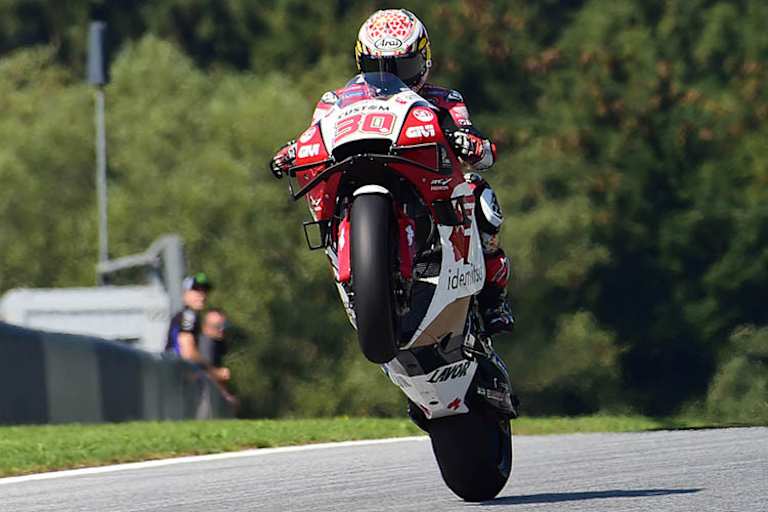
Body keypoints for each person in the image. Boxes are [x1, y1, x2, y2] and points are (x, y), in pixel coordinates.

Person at [270, 8, 514, 335]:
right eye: (378, 68)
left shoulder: (445, 100)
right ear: (362, 65)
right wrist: (293, 151)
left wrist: (468, 142)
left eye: (403, 68)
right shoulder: (334, 101)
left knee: (481, 196)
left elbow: (479, 148)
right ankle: (359, 263)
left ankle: (493, 300)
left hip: (426, 185)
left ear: (423, 61)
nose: (392, 79)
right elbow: (316, 132)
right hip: (359, 171)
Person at [165, 272, 211, 361]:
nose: (202, 295)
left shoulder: (189, 315)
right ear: (185, 294)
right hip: (178, 370)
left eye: (204, 290)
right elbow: (187, 350)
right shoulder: (188, 316)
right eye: (196, 290)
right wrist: (212, 371)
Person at [198, 308, 232, 385]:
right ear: (205, 327)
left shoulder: (217, 341)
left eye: (224, 325)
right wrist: (218, 374)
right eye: (217, 326)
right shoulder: (206, 343)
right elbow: (201, 373)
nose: (222, 329)